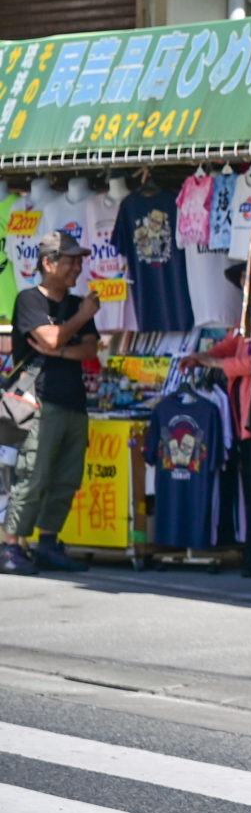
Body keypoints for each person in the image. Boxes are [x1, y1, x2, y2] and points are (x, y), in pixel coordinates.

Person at [2, 230, 101, 574]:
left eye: (79, 260)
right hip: (38, 401)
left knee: (66, 478)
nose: (78, 266)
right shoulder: (30, 301)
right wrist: (80, 318)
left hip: (74, 402)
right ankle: (10, 545)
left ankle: (48, 543)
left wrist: (58, 349)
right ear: (48, 263)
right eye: (71, 260)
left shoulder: (74, 304)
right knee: (33, 475)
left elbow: (90, 349)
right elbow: (53, 334)